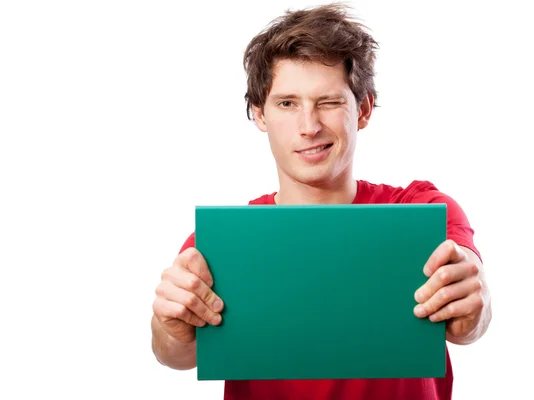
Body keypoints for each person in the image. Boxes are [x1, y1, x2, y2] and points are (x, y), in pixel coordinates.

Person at [151, 3, 492, 400]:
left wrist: (473, 303)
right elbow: (174, 352)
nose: (309, 127)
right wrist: (169, 324)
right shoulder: (223, 241)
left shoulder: (424, 211)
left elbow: (470, 319)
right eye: (287, 103)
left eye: (328, 102)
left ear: (362, 109)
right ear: (259, 114)